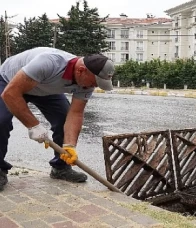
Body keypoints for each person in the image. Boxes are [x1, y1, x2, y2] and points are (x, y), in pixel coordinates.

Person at [0, 47, 115, 191]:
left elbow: (75, 114)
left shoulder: (86, 81)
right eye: (94, 82)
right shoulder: (48, 63)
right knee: (1, 121)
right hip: (9, 82)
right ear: (80, 70)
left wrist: (70, 146)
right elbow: (10, 94)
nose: (93, 87)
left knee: (63, 118)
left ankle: (61, 168)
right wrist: (34, 126)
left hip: (45, 89)